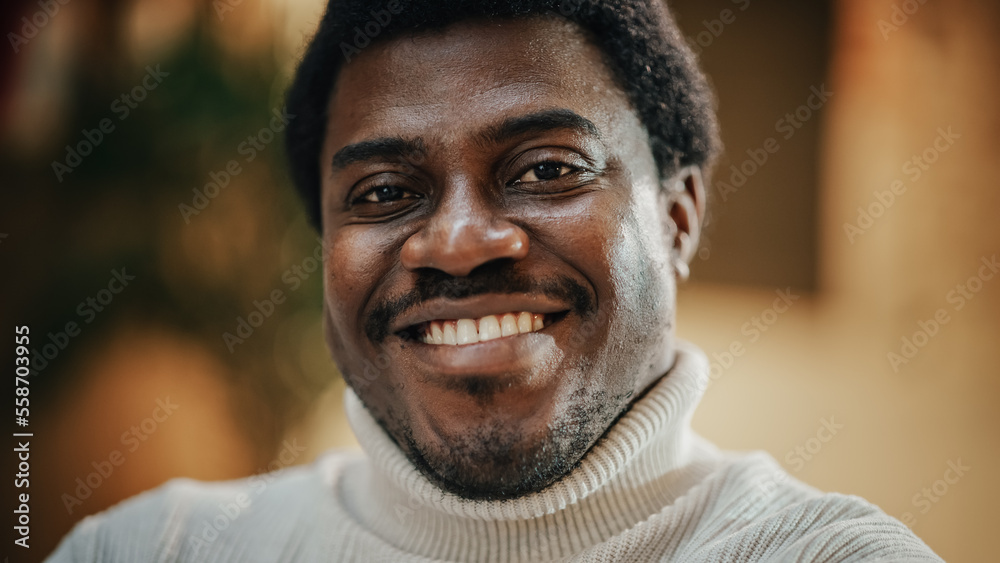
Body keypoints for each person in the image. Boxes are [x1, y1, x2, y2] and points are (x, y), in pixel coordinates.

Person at [48, 0, 942, 561]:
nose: (461, 242)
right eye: (386, 192)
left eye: (548, 170)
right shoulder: (148, 546)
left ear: (678, 216)